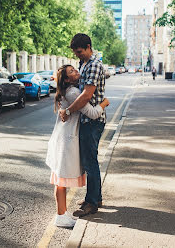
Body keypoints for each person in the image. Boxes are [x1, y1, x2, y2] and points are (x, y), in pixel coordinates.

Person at [46, 65, 109, 228]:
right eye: (72, 72)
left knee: (59, 179)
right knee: (60, 181)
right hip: (66, 141)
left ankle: (62, 214)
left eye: (75, 69)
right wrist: (104, 104)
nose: (77, 72)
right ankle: (61, 216)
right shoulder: (73, 93)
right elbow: (93, 113)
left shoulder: (68, 89)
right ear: (67, 79)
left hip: (62, 138)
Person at [59, 33, 106, 217]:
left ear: (88, 46)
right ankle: (94, 197)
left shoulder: (93, 64)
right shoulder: (84, 63)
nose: (77, 55)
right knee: (89, 161)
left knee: (90, 162)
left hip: (93, 120)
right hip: (87, 120)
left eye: (79, 51)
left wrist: (68, 111)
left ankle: (92, 203)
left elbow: (86, 95)